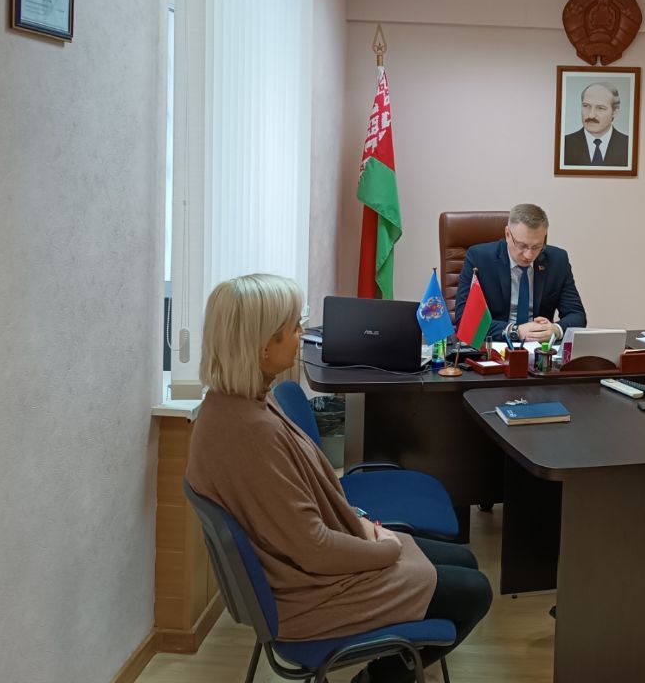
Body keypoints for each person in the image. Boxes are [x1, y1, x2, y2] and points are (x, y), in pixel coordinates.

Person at [186, 274, 491, 683]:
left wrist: (362, 526)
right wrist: (384, 549)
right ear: (262, 346)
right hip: (309, 594)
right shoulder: (249, 432)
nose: (301, 335)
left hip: (308, 569)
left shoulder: (235, 403)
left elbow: (300, 519)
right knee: (474, 591)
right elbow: (313, 549)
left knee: (465, 561)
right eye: (293, 327)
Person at [454, 203, 586, 344]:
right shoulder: (479, 258)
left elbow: (577, 315)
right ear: (507, 234)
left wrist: (555, 330)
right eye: (522, 245)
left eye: (536, 247)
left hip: (539, 349)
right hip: (495, 346)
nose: (529, 255)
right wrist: (515, 331)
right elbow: (465, 320)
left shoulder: (557, 260)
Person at [562, 81, 629, 166]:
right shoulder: (565, 144)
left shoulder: (628, 145)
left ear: (614, 112)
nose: (591, 115)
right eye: (586, 106)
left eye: (600, 108)